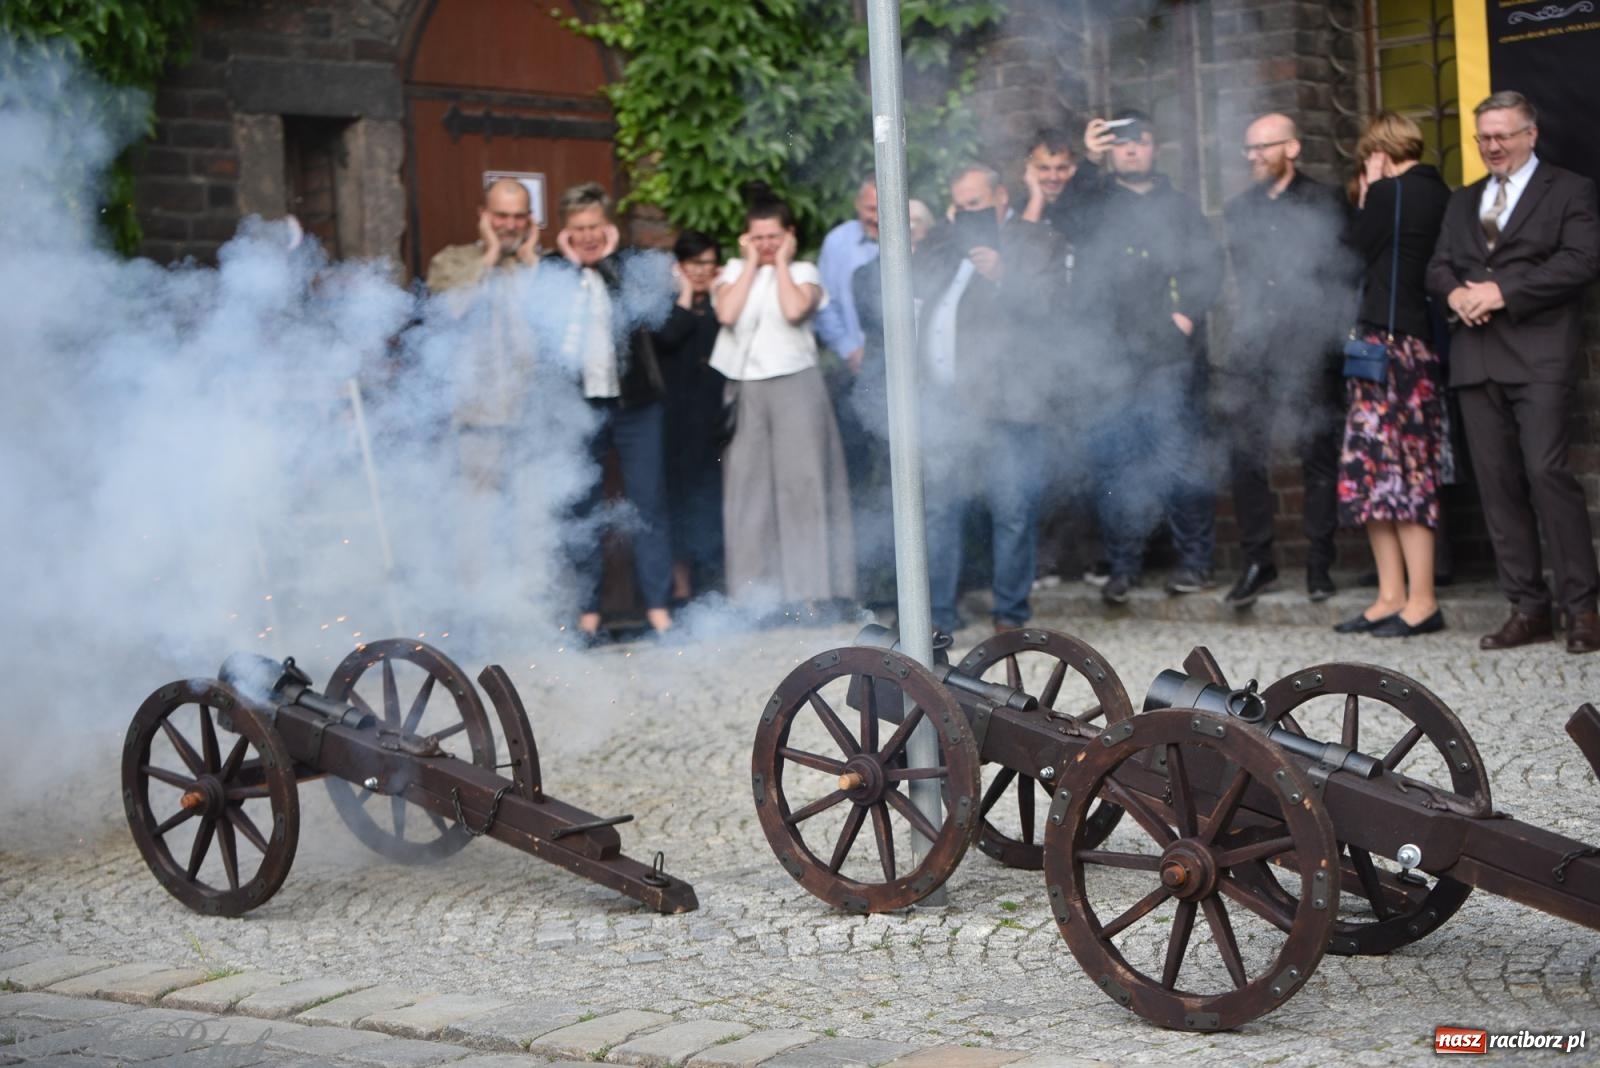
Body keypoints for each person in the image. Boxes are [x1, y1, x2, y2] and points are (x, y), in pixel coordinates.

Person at [1426, 91, 1600, 653]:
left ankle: (1583, 610)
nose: (1492, 146)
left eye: (1502, 135)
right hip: (1476, 358)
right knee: (1497, 487)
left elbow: (1581, 260)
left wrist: (1502, 291)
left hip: (1540, 354)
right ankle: (1527, 608)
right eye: (1483, 137)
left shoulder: (1569, 189)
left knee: (1547, 474)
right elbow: (1439, 265)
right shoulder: (1463, 199)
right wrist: (1457, 294)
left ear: (1531, 134)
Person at [1075, 111, 1223, 605]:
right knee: (1115, 464)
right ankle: (1122, 567)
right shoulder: (1096, 201)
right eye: (1122, 144)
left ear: (1155, 147)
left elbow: (1209, 267)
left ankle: (1195, 564)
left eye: (1141, 141)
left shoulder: (1181, 208)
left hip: (1167, 355)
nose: (1132, 149)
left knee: (1177, 458)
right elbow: (1066, 220)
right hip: (1110, 358)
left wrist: (1184, 316)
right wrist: (1087, 162)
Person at [914, 163, 1062, 633]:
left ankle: (1010, 617)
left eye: (974, 204)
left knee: (1012, 510)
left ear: (1001, 198)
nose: (964, 214)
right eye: (958, 205)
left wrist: (1003, 275)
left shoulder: (1034, 240)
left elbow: (1049, 309)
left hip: (1006, 404)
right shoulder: (945, 243)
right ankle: (936, 617)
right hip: (944, 405)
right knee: (939, 511)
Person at [1219, 113, 1354, 608]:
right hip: (1256, 346)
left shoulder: (1328, 200)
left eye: (1263, 147)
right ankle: (1259, 562)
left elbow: (1343, 273)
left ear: (1292, 148)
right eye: (1249, 149)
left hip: (1312, 343)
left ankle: (1320, 563)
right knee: (1244, 450)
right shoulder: (1239, 210)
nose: (1253, 156)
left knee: (1318, 452)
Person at [1331, 112, 1451, 638]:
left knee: (1391, 476)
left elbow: (1349, 254)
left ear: (1380, 150)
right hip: (1414, 347)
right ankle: (1393, 596)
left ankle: (1415, 598)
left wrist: (1371, 190)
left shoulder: (1388, 194)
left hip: (1386, 347)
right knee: (1387, 476)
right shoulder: (1441, 193)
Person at [712, 195, 855, 614]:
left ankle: (811, 595)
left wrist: (778, 265)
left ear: (789, 236)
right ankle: (754, 598)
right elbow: (727, 313)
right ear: (745, 238)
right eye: (758, 237)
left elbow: (794, 310)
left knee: (803, 486)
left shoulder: (803, 272)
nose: (766, 243)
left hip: (796, 382)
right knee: (747, 490)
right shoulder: (735, 272)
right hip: (746, 386)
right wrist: (754, 264)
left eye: (774, 236)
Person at [548, 182, 673, 641]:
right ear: (564, 231)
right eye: (578, 228)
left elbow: (649, 318)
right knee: (581, 510)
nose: (587, 236)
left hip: (635, 407)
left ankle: (659, 611)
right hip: (578, 411)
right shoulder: (552, 271)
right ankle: (586, 617)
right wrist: (571, 264)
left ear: (610, 226)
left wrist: (609, 263)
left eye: (595, 226)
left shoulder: (630, 268)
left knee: (650, 505)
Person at [424, 178, 543, 588]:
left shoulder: (540, 265)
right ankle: (477, 614)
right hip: (477, 417)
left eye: (518, 216)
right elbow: (449, 314)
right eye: (501, 216)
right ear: (484, 216)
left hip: (534, 418)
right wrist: (490, 256)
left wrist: (532, 268)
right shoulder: (453, 261)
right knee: (477, 521)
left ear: (530, 219)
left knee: (534, 522)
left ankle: (531, 613)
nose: (510, 225)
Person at [652, 229, 726, 603]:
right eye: (694, 264)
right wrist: (684, 295)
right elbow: (666, 338)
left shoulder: (721, 305)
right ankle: (681, 588)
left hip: (713, 417)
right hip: (676, 420)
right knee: (678, 502)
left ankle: (711, 584)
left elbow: (724, 333)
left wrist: (711, 297)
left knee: (712, 501)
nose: (701, 271)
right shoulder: (665, 304)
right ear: (679, 266)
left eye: (708, 263)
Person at [814, 176, 880, 373]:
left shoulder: (912, 236)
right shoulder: (838, 242)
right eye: (871, 209)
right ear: (857, 204)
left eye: (884, 209)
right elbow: (825, 303)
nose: (877, 218)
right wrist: (849, 349)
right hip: (854, 359)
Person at [1018, 126, 1101, 243]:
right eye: (1044, 168)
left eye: (1061, 168)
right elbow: (1018, 255)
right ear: (1029, 169)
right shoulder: (1018, 211)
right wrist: (1036, 198)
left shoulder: (1088, 202)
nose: (1053, 177)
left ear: (1072, 168)